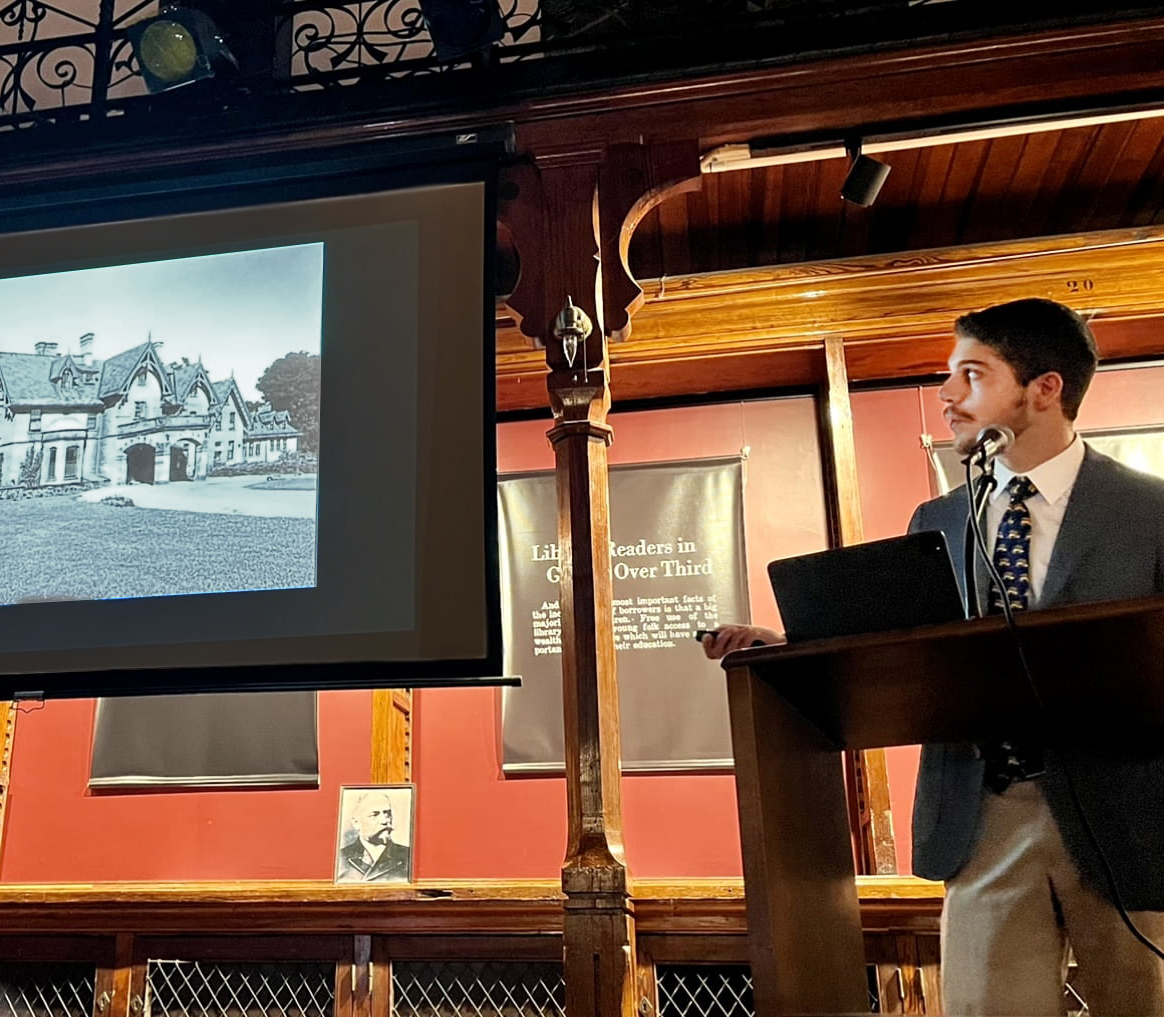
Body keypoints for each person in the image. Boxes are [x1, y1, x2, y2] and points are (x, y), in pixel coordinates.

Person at [705, 298, 1164, 1015]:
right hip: (981, 820)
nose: (947, 396)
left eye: (971, 375)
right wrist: (792, 648)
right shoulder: (939, 520)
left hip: (1130, 822)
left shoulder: (1149, 511)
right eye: (949, 376)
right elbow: (908, 648)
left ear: (1044, 387)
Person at [336, 790, 411, 883]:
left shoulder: (408, 856)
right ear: (356, 823)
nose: (384, 821)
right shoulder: (340, 859)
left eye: (387, 813)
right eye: (374, 815)